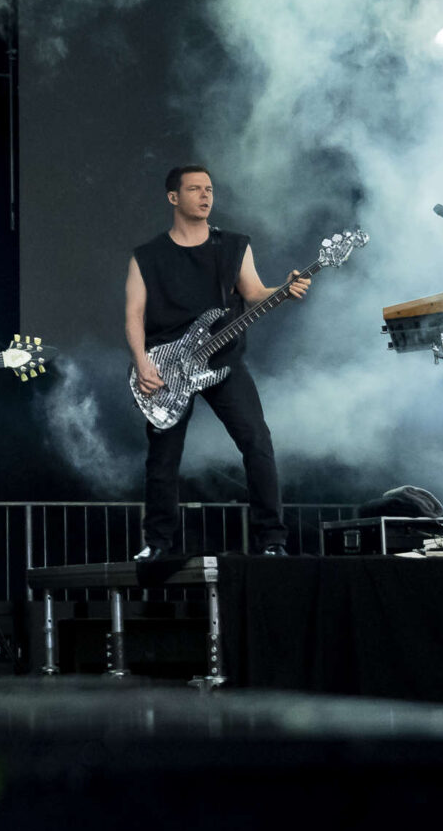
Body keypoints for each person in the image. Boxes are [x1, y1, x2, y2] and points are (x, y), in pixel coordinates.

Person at [124, 164, 308, 559]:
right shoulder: (147, 257)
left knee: (257, 442)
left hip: (222, 360)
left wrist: (285, 290)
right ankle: (157, 544)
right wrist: (142, 364)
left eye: (209, 189)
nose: (205, 196)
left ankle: (272, 539)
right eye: (194, 189)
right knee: (163, 458)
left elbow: (255, 292)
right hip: (166, 366)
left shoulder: (233, 245)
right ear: (173, 197)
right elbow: (134, 314)